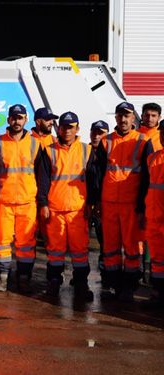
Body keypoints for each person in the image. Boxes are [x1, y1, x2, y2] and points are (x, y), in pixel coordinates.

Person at [93, 101, 153, 302]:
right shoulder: (105, 141)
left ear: (133, 118)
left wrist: (142, 205)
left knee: (131, 247)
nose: (123, 119)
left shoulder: (143, 141)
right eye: (120, 115)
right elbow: (97, 173)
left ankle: (130, 285)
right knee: (110, 247)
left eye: (127, 115)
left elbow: (147, 176)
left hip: (130, 204)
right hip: (108, 203)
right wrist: (97, 201)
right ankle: (113, 283)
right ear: (116, 118)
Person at [38, 111, 95, 301]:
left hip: (78, 210)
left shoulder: (87, 150)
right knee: (55, 251)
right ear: (58, 128)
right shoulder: (48, 150)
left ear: (77, 128)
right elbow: (43, 180)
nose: (67, 131)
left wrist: (91, 204)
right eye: (64, 127)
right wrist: (44, 204)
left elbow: (93, 180)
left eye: (71, 127)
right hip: (55, 209)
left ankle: (80, 284)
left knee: (79, 251)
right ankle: (54, 283)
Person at [0, 104, 44, 293]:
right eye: (13, 117)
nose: (16, 121)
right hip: (3, 202)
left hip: (27, 202)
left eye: (20, 118)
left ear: (25, 120)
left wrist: (41, 200)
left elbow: (41, 175)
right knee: (2, 242)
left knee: (26, 244)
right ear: (9, 119)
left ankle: (23, 277)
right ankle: (3, 277)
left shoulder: (35, 144)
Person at [143, 121, 164, 308]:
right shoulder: (153, 158)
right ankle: (157, 293)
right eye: (163, 133)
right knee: (157, 260)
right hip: (154, 218)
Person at [88, 120, 109, 289]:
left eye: (100, 133)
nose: (96, 136)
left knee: (105, 242)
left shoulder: (110, 154)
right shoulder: (83, 151)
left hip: (103, 205)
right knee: (80, 244)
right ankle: (79, 276)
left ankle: (106, 275)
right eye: (94, 132)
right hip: (85, 204)